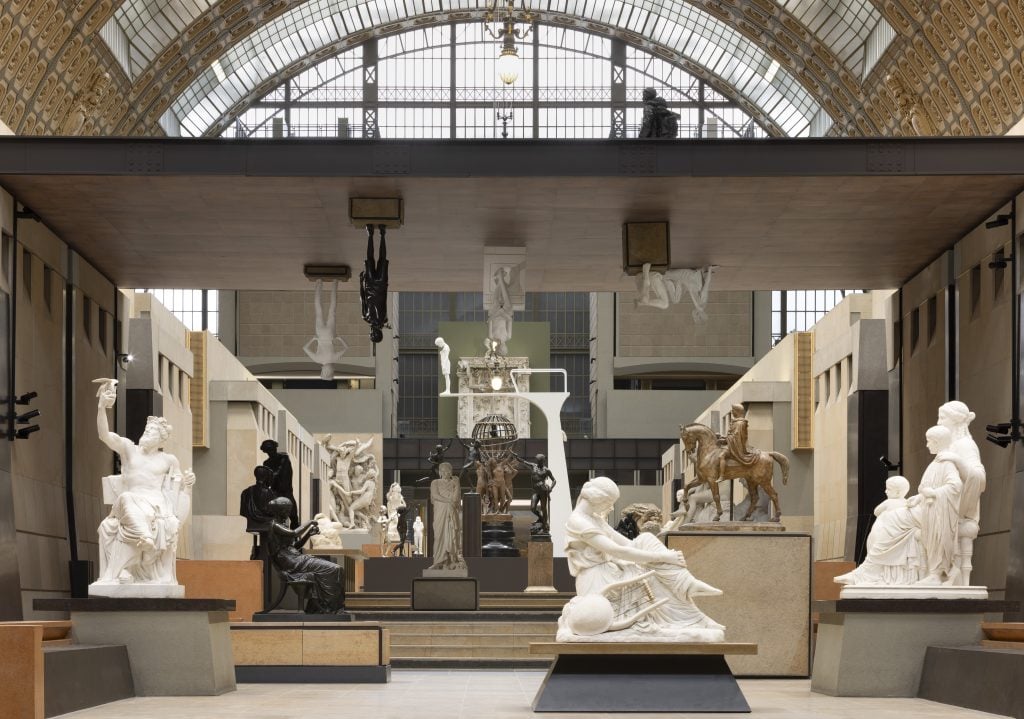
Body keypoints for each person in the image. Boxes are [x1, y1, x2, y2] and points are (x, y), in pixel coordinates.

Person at [557, 477, 723, 641]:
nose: (611, 507)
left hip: (610, 571)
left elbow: (628, 544)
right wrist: (663, 556)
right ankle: (690, 602)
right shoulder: (578, 521)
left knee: (646, 540)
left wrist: (653, 554)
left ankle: (688, 592)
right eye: (610, 502)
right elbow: (616, 550)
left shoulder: (594, 519)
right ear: (599, 499)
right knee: (652, 579)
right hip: (598, 581)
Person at [92, 379, 194, 590]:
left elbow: (178, 493)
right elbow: (105, 436)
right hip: (128, 502)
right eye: (146, 431)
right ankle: (144, 536)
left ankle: (136, 555)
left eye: (152, 433)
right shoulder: (129, 449)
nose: (146, 434)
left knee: (159, 519)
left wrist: (188, 485)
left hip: (156, 506)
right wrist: (102, 407)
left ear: (161, 440)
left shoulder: (168, 460)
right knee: (127, 498)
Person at [834, 476, 920, 586]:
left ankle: (861, 577)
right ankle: (863, 575)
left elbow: (876, 511)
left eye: (888, 489)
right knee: (877, 549)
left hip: (892, 533)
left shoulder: (889, 502)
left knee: (878, 549)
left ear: (897, 492)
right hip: (893, 533)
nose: (885, 491)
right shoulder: (907, 503)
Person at [266, 497, 346, 613]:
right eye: (287, 510)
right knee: (334, 569)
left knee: (337, 569)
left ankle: (330, 606)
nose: (289, 513)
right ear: (281, 511)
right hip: (292, 563)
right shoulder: (275, 525)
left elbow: (295, 546)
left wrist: (308, 534)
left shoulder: (281, 525)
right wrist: (309, 522)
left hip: (296, 558)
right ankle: (329, 607)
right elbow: (294, 533)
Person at [936, 401, 986, 585]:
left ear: (956, 421)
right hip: (941, 503)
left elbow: (978, 476)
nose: (939, 422)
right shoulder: (950, 446)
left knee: (897, 524)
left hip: (956, 509)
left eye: (942, 418)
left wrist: (957, 460)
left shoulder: (964, 445)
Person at [911, 425, 963, 586]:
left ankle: (937, 573)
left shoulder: (946, 463)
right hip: (930, 510)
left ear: (938, 442)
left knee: (938, 539)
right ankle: (933, 573)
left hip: (940, 512)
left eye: (929, 442)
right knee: (930, 540)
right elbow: (926, 487)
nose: (927, 445)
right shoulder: (935, 464)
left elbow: (955, 486)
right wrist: (918, 498)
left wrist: (933, 493)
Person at [634, 262, 715, 322]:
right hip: (683, 276)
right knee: (669, 299)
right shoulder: (700, 304)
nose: (694, 315)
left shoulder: (699, 301)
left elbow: (702, 283)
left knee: (672, 300)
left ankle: (645, 298)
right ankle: (645, 297)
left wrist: (708, 271)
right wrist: (709, 270)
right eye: (696, 316)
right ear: (699, 314)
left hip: (684, 277)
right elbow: (706, 283)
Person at [303, 279, 348, 380]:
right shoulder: (317, 359)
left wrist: (340, 338)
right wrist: (313, 339)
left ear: (331, 371)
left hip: (330, 335)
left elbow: (346, 348)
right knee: (318, 310)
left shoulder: (334, 359)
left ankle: (335, 283)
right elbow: (305, 348)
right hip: (319, 335)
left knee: (332, 309)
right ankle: (319, 282)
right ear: (323, 371)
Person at [428, 463, 467, 571]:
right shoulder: (435, 482)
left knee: (453, 533)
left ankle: (451, 560)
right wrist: (448, 501)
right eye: (444, 471)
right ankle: (438, 562)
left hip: (451, 512)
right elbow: (435, 495)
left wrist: (457, 484)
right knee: (439, 536)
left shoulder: (454, 483)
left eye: (448, 471)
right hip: (440, 512)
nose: (446, 473)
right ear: (440, 472)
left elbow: (456, 500)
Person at [360, 223, 389, 343]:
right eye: (372, 334)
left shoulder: (366, 317)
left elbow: (362, 298)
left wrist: (361, 282)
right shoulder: (384, 319)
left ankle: (370, 234)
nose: (370, 332)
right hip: (381, 285)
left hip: (370, 285)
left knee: (370, 259)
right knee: (382, 260)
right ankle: (382, 234)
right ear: (377, 333)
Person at [517, 453, 557, 535]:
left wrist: (550, 488)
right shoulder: (533, 466)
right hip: (535, 491)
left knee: (543, 508)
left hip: (543, 490)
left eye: (539, 460)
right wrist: (516, 456)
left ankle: (545, 528)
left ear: (542, 461)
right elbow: (523, 461)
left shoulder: (546, 470)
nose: (537, 461)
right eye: (537, 460)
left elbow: (554, 480)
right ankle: (541, 518)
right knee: (532, 508)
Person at [261, 439, 297, 527]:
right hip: (275, 492)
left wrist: (272, 476)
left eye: (272, 449)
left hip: (286, 491)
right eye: (268, 450)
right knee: (273, 515)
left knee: (294, 516)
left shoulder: (284, 458)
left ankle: (295, 537)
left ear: (275, 448)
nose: (271, 452)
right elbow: (267, 479)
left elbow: (282, 472)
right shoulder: (266, 463)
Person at [487, 266, 515, 355]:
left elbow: (490, 320)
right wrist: (502, 313)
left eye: (501, 348)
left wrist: (498, 312)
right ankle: (500, 278)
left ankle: (500, 278)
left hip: (495, 314)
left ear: (499, 348)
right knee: (508, 304)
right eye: (504, 348)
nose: (502, 347)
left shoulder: (491, 336)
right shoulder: (508, 337)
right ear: (506, 347)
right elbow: (510, 320)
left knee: (495, 301)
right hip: (504, 314)